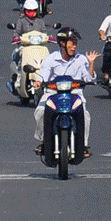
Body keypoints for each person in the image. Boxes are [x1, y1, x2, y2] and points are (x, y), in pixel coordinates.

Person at [34, 25, 96, 161]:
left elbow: (89, 78)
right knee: (40, 111)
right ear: (62, 43)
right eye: (72, 43)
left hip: (75, 94)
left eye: (76, 44)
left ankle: (83, 145)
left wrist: (91, 64)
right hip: (53, 93)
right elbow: (43, 75)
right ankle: (43, 141)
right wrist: (38, 82)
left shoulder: (80, 59)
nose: (74, 47)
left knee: (85, 115)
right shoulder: (51, 58)